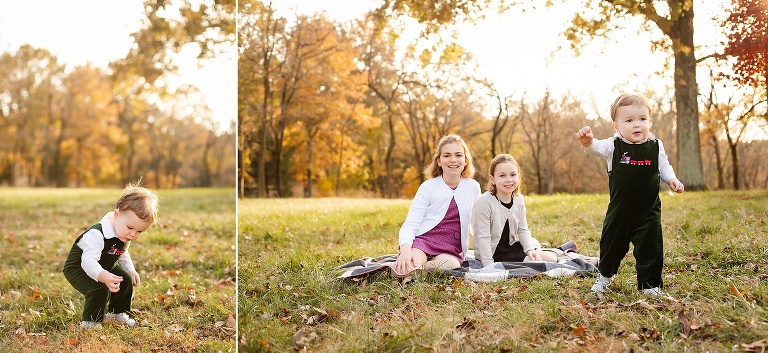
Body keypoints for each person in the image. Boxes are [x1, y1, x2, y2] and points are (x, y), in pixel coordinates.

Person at [576, 92, 684, 297]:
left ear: (649, 121)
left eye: (642, 119)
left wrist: (672, 180)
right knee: (611, 246)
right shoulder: (614, 145)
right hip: (620, 211)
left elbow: (664, 167)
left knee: (651, 248)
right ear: (617, 126)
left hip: (648, 211)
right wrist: (587, 142)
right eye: (629, 120)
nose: (637, 125)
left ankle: (650, 285)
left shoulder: (655, 146)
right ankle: (604, 278)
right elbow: (595, 148)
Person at [63, 182, 159, 329]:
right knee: (99, 287)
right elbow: (88, 261)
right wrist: (102, 276)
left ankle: (117, 314)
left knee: (125, 279)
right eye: (130, 228)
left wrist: (131, 270)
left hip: (104, 265)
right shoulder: (97, 234)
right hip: (79, 267)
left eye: (140, 231)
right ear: (116, 215)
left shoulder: (124, 233)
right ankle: (90, 322)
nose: (133, 234)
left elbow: (122, 253)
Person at [394, 134, 481, 275]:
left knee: (448, 266)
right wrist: (405, 250)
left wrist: (484, 253)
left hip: (451, 248)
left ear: (465, 160)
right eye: (446, 155)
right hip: (424, 241)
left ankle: (424, 269)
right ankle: (415, 266)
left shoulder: (473, 187)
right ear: (439, 161)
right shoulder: (428, 187)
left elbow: (477, 225)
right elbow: (411, 223)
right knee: (405, 267)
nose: (453, 160)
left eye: (458, 155)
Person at [471, 154, 557, 267]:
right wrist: (488, 265)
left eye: (513, 175)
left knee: (552, 258)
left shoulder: (518, 200)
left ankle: (532, 250)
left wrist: (530, 250)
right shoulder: (484, 203)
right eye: (502, 176)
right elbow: (483, 237)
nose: (509, 180)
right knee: (535, 264)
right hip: (492, 253)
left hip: (511, 247)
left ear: (518, 176)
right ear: (493, 179)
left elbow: (522, 229)